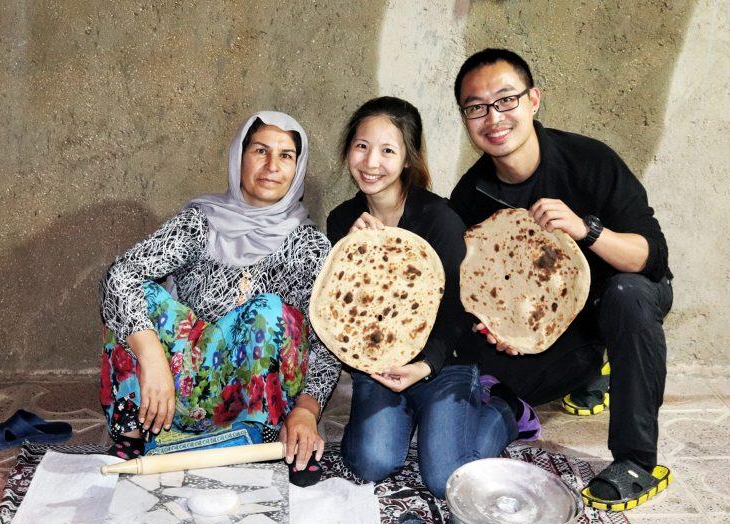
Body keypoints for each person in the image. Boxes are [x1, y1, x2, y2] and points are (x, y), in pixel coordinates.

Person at [449, 49, 673, 509]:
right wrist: (499, 331)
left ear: (533, 100)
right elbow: (475, 297)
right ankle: (590, 370)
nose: (493, 117)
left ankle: (637, 460)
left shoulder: (590, 161)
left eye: (506, 99)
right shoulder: (470, 195)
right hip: (553, 327)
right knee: (474, 361)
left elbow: (650, 257)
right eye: (476, 107)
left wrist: (587, 229)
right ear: (466, 119)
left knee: (629, 296)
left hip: (617, 301)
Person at [99, 111, 340, 486]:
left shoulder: (309, 247)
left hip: (259, 395)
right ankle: (139, 431)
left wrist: (307, 411)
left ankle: (267, 439)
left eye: (286, 156)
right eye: (260, 150)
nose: (272, 166)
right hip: (186, 381)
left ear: (298, 168)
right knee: (134, 294)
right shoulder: (200, 220)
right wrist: (151, 358)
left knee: (267, 311)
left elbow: (328, 342)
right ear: (239, 156)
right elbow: (121, 275)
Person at [327, 97, 533, 498]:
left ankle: (504, 409)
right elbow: (340, 317)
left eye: (388, 150)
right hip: (380, 366)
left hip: (445, 362)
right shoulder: (341, 221)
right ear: (349, 149)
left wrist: (425, 365)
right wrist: (350, 260)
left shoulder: (439, 218)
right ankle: (411, 418)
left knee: (445, 478)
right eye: (362, 146)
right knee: (372, 462)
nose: (371, 162)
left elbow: (461, 309)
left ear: (408, 159)